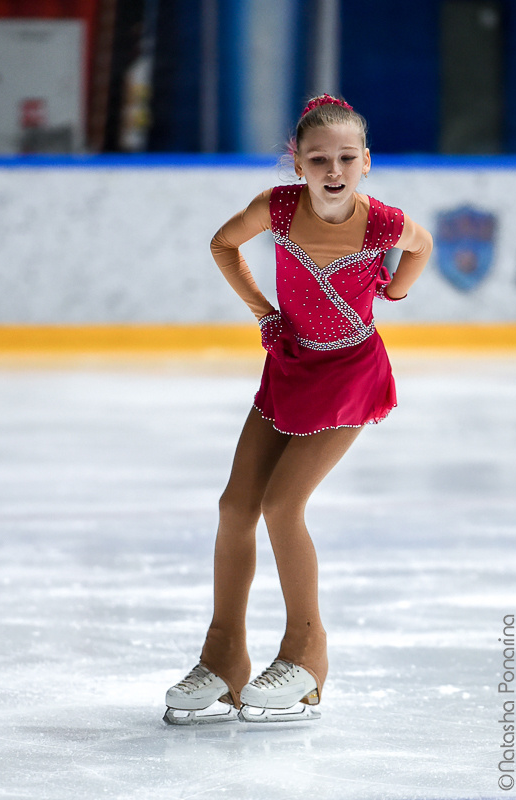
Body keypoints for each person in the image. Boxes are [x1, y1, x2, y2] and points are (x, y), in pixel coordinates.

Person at [164, 94, 433, 724]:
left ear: (366, 162)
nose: (332, 169)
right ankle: (224, 654)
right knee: (236, 506)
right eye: (318, 158)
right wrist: (263, 312)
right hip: (289, 365)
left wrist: (394, 288)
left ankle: (307, 655)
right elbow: (223, 244)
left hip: (349, 374)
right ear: (298, 164)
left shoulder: (385, 223)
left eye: (345, 157)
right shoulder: (278, 209)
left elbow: (421, 247)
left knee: (284, 506)